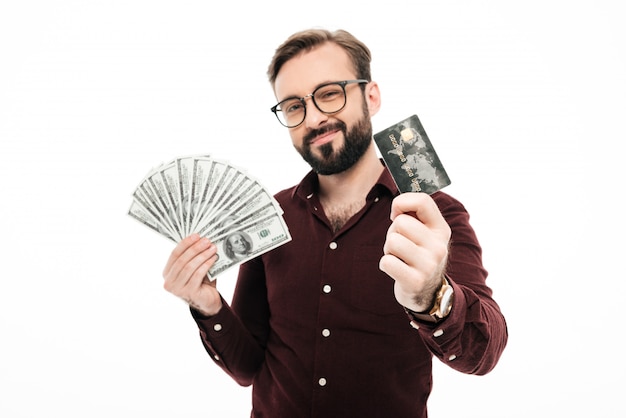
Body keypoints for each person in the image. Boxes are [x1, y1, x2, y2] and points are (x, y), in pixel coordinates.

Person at [162, 28, 508, 418]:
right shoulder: (270, 215)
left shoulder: (435, 214)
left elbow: (484, 353)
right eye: (293, 106)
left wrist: (433, 297)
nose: (314, 117)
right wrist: (208, 306)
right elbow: (247, 368)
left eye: (329, 93)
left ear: (371, 96)